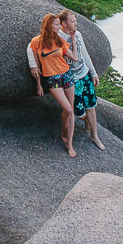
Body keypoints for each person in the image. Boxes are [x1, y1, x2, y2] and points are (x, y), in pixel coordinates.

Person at [28, 13, 80, 157]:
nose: (59, 27)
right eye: (56, 25)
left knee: (71, 110)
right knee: (67, 109)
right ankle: (63, 131)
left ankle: (69, 144)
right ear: (49, 26)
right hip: (52, 78)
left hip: (66, 74)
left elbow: (74, 58)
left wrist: (73, 41)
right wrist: (39, 84)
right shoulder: (36, 42)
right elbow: (37, 64)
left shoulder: (60, 41)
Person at [58, 10, 105, 151]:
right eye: (72, 21)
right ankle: (86, 122)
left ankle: (94, 136)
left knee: (91, 106)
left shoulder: (77, 34)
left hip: (84, 74)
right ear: (64, 23)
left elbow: (84, 54)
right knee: (78, 112)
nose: (76, 24)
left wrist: (93, 73)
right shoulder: (57, 38)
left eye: (75, 21)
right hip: (72, 79)